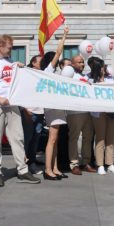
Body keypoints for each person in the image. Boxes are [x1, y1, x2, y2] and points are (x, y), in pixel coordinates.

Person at [0, 34, 40, 187]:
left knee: (18, 138)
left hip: (12, 105)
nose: (11, 50)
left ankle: (22, 170)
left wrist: (18, 67)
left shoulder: (10, 61)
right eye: (9, 47)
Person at [40, 26, 70, 181]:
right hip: (52, 108)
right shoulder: (48, 71)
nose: (57, 61)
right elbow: (58, 52)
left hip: (58, 107)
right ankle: (47, 170)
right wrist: (64, 36)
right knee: (52, 139)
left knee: (55, 139)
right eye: (55, 60)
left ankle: (55, 168)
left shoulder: (54, 73)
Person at [62, 55, 96, 175]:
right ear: (72, 64)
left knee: (88, 138)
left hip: (87, 111)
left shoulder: (85, 76)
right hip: (74, 112)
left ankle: (86, 162)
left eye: (82, 62)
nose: (82, 64)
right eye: (79, 62)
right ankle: (74, 164)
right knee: (74, 138)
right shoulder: (70, 75)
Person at [87, 56, 114, 175]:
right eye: (101, 67)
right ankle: (100, 164)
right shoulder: (90, 80)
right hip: (98, 113)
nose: (104, 68)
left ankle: (109, 163)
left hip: (110, 112)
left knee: (110, 138)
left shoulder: (110, 80)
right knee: (100, 138)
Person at [23, 54, 45, 172]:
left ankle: (31, 162)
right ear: (33, 63)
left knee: (35, 140)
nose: (43, 63)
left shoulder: (44, 74)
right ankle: (22, 165)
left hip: (40, 112)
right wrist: (25, 110)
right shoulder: (26, 75)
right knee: (26, 140)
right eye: (41, 61)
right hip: (29, 112)